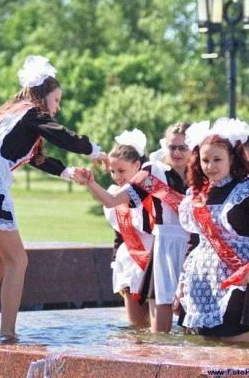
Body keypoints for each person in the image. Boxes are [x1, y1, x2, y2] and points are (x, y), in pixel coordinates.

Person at [0, 55, 105, 339]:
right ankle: (8, 333)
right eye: (56, 100)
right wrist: (93, 150)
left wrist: (67, 172)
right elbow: (61, 136)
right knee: (18, 261)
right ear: (43, 97)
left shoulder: (11, 115)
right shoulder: (32, 113)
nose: (58, 107)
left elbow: (37, 159)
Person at [73, 123, 193, 333]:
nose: (176, 152)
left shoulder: (203, 173)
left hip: (194, 248)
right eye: (172, 147)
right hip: (164, 248)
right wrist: (91, 183)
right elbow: (113, 200)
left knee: (191, 325)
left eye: (183, 147)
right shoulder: (154, 172)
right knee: (159, 331)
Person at [176, 118, 249, 343]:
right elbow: (195, 241)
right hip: (201, 283)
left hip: (237, 278)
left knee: (240, 355)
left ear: (232, 158)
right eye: (205, 160)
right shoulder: (196, 194)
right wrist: (181, 284)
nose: (210, 166)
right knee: (204, 355)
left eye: (217, 159)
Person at [102, 129, 154, 328]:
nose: (117, 177)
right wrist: (116, 259)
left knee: (159, 326)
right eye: (113, 172)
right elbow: (120, 235)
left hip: (153, 258)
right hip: (130, 261)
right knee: (136, 327)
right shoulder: (114, 193)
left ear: (137, 165)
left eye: (122, 171)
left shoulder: (153, 189)